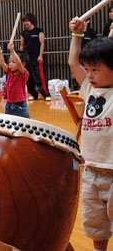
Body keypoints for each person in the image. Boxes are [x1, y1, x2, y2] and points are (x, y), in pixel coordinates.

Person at [68, 17, 113, 251]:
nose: (90, 74)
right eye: (88, 70)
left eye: (96, 69)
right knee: (95, 224)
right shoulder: (89, 88)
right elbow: (74, 63)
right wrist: (77, 35)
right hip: (91, 171)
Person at [0, 42, 30, 118]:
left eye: (13, 62)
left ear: (23, 64)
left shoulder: (23, 73)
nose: (10, 64)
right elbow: (2, 62)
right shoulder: (9, 72)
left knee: (25, 124)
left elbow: (19, 63)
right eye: (10, 62)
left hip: (20, 105)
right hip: (9, 104)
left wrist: (12, 51)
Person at [20, 13, 50, 101]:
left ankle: (45, 94)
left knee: (40, 76)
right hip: (26, 57)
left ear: (32, 21)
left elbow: (42, 44)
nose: (25, 23)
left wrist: (40, 55)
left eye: (27, 21)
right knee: (28, 77)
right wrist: (20, 57)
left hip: (36, 57)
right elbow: (22, 45)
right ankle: (33, 94)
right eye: (24, 21)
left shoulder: (39, 31)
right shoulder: (23, 33)